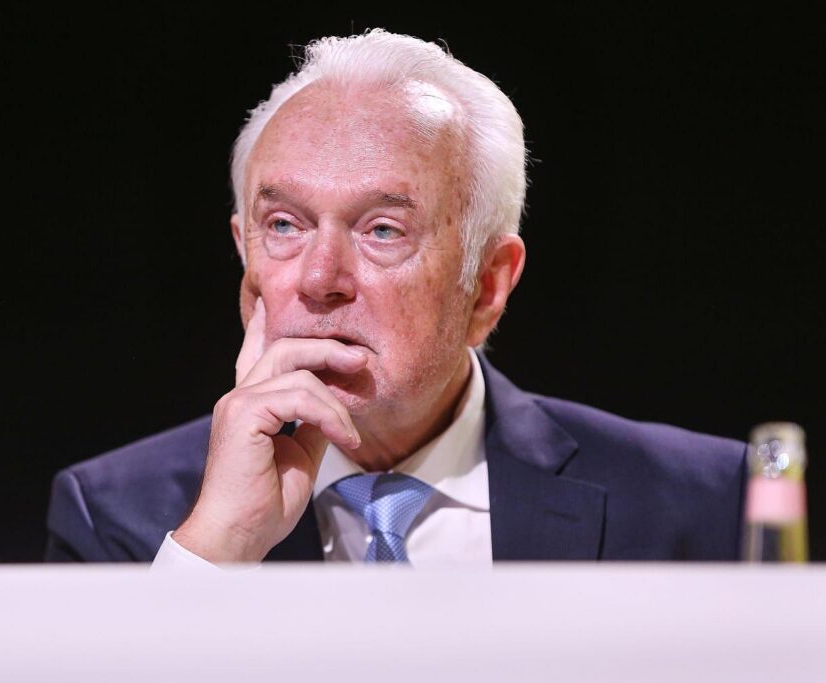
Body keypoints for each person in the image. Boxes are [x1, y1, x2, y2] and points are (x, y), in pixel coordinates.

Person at [45, 29, 746, 566]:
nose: (320, 278)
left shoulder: (702, 504)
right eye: (283, 225)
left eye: (381, 229)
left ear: (488, 285)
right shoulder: (118, 518)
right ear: (244, 253)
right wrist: (220, 548)